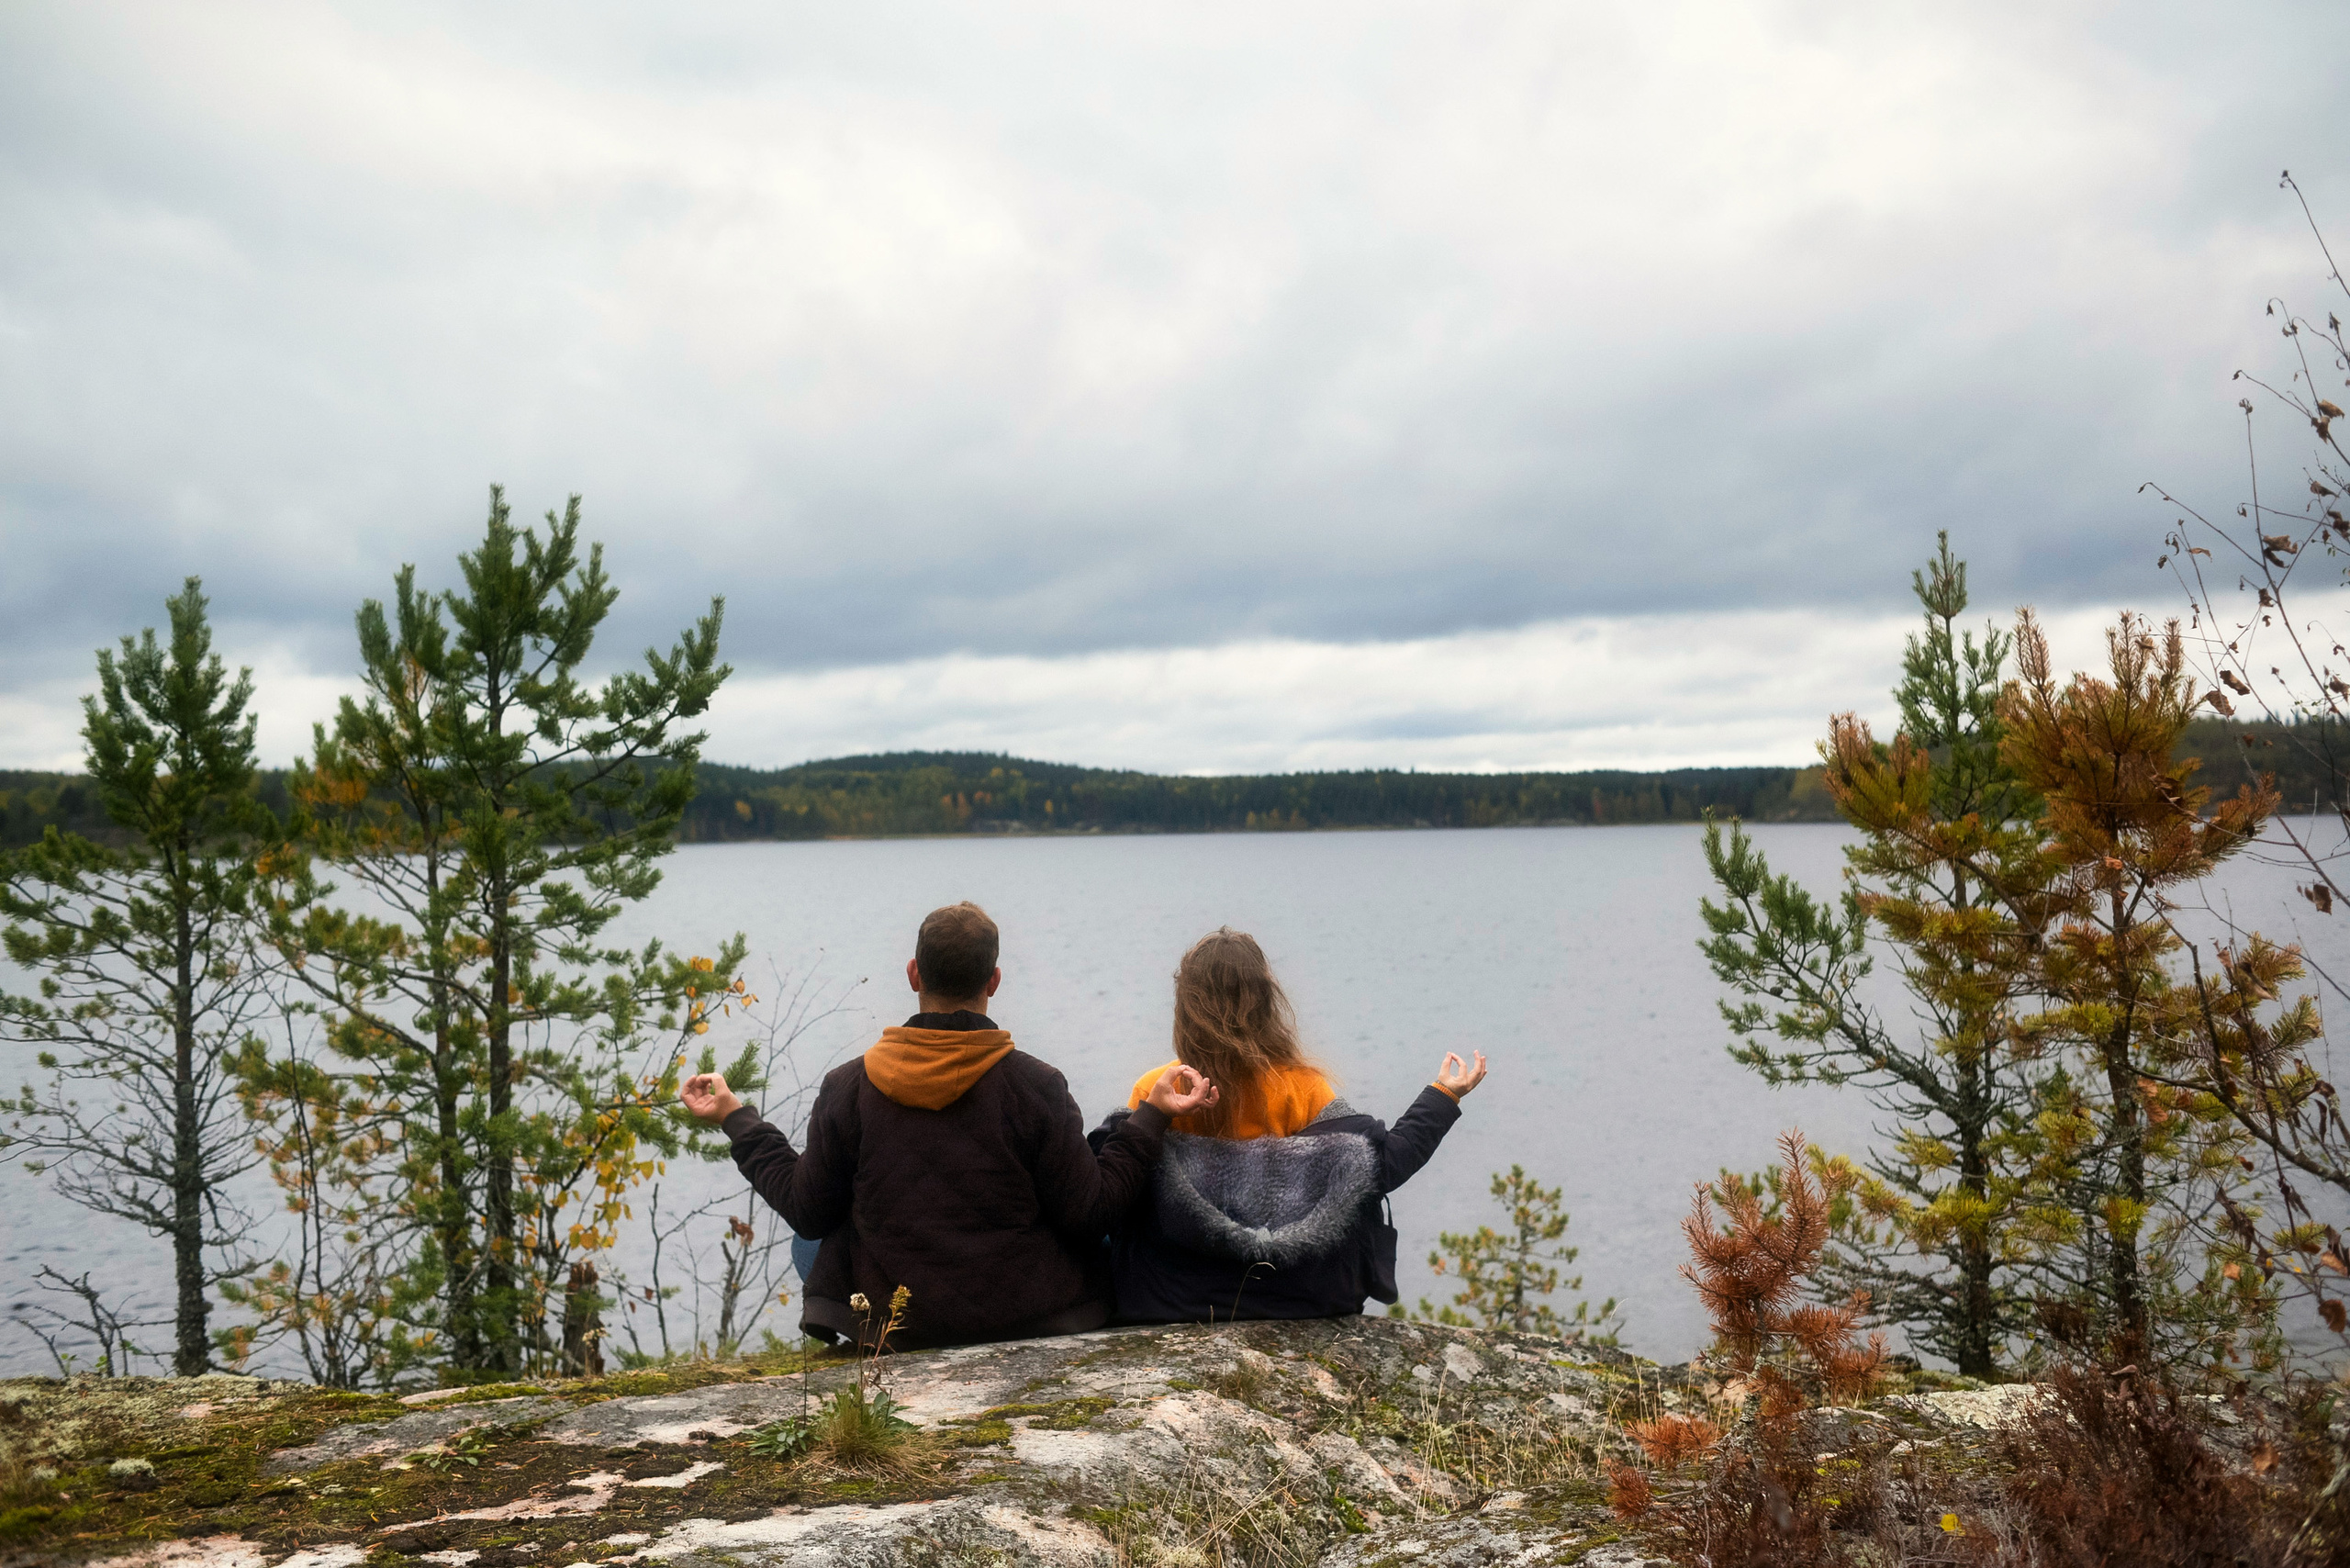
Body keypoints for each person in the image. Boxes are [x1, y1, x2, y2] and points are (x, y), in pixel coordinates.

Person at [680, 901, 1217, 1350]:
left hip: (898, 1325)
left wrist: (737, 1118)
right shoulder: (1036, 1084)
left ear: (913, 974)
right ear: (995, 981)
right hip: (1026, 1314)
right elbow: (1089, 1214)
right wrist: (1152, 1114)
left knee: (809, 1238)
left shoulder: (849, 1085)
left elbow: (808, 1209)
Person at [1091, 926, 1484, 1323]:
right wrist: (1443, 1095)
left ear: (1185, 1009)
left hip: (1172, 1297)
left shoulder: (1160, 1088)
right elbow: (1379, 1165)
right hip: (1296, 1292)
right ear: (1266, 1003)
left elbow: (1121, 1183)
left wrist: (1154, 1114)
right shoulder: (1303, 1087)